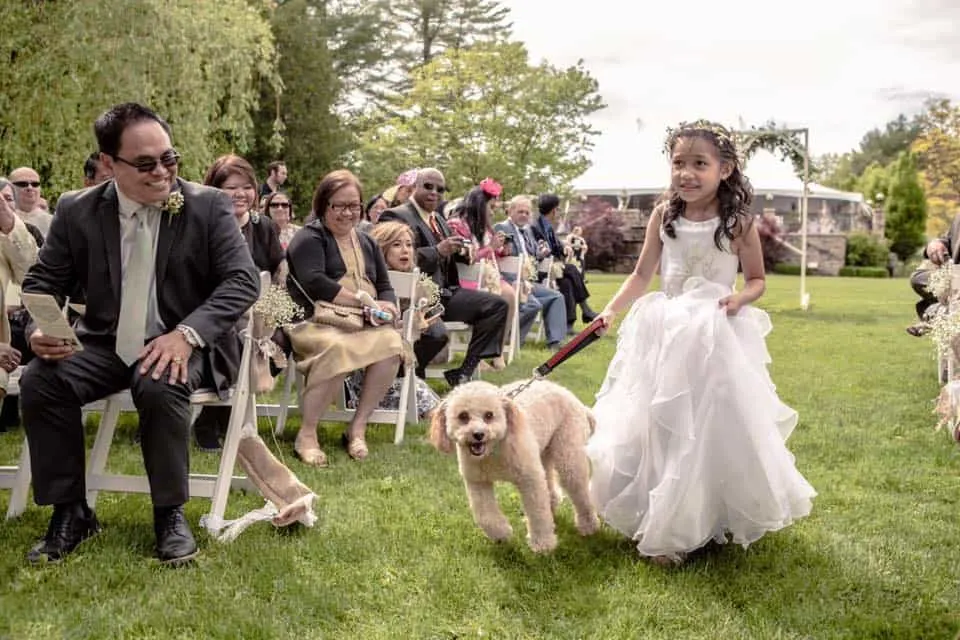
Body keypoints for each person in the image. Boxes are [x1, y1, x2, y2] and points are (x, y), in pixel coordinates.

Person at [18, 102, 259, 565]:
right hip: (105, 342)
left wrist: (187, 334)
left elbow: (242, 281)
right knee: (41, 380)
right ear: (108, 164)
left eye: (169, 159)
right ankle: (71, 513)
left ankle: (169, 514)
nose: (161, 173)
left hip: (185, 342)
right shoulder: (76, 210)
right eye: (145, 164)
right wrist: (38, 331)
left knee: (159, 376)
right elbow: (42, 284)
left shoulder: (207, 205)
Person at [586, 120, 815, 566]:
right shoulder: (663, 215)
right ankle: (660, 518)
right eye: (678, 163)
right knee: (657, 422)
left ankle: (703, 517)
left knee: (709, 427)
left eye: (699, 164)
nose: (686, 173)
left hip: (713, 333)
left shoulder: (738, 222)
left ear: (725, 169)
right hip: (663, 330)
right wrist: (610, 310)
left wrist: (738, 299)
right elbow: (641, 274)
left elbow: (757, 280)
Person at [285, 169, 404, 465]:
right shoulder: (309, 237)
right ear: (323, 205)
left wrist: (387, 306)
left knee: (392, 344)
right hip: (315, 322)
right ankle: (307, 433)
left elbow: (386, 286)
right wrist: (362, 302)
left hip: (362, 322)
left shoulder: (367, 241)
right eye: (339, 205)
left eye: (354, 206)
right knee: (338, 348)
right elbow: (315, 283)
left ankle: (357, 427)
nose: (348, 213)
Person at [378, 168, 508, 387]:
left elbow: (450, 251)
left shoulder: (438, 218)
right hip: (414, 296)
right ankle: (407, 374)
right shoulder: (396, 215)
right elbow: (387, 257)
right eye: (428, 186)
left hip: (445, 293)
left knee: (497, 306)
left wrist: (462, 251)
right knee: (436, 335)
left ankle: (463, 372)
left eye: (440, 189)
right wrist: (437, 251)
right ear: (414, 187)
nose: (434, 192)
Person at [191, 155, 284, 451]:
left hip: (257, 312)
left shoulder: (263, 226)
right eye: (231, 187)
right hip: (214, 309)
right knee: (233, 338)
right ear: (214, 190)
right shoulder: (202, 226)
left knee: (280, 340)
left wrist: (272, 309)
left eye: (246, 187)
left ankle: (218, 413)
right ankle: (215, 415)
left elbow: (277, 270)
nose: (240, 194)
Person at [531, 194, 597, 333]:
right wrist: (559, 251)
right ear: (554, 210)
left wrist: (564, 247)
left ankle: (569, 325)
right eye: (558, 209)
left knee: (567, 283)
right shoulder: (537, 226)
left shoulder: (546, 225)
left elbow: (556, 245)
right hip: (542, 269)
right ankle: (586, 309)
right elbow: (544, 248)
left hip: (553, 267)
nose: (559, 212)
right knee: (572, 269)